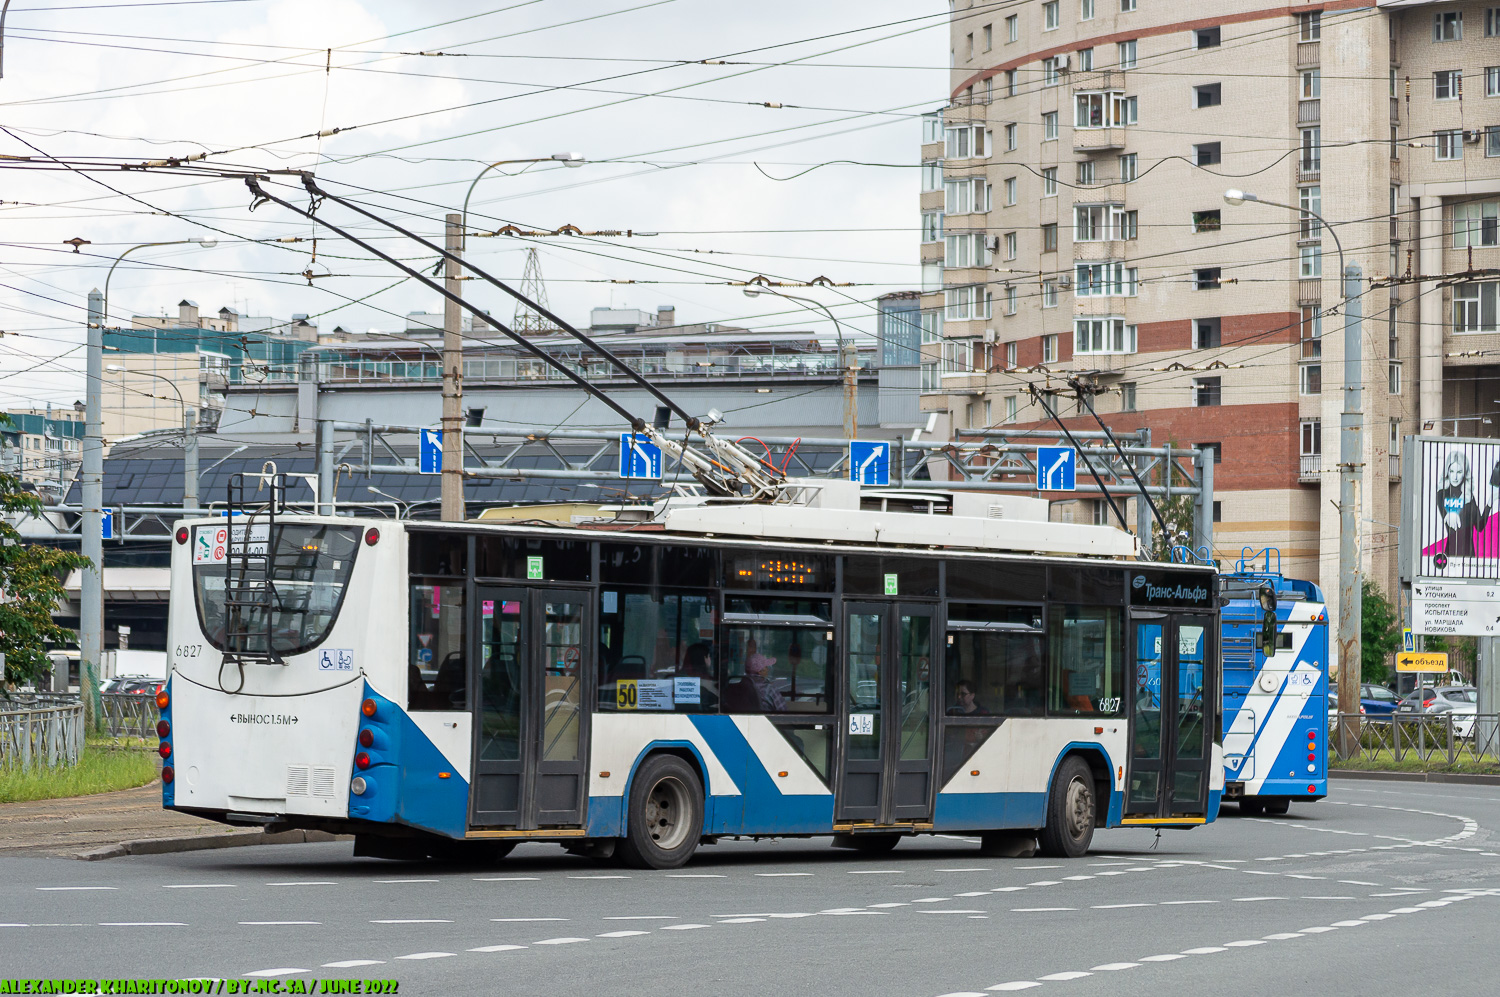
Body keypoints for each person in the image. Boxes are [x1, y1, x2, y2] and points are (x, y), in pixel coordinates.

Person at [1434, 450, 1495, 559]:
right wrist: (1453, 512)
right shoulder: (1442, 493)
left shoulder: (1469, 496)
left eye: (1459, 472)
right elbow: (1448, 516)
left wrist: (1491, 501)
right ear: (1447, 472)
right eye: (1452, 471)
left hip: (1469, 555)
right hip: (1451, 553)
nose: (1455, 477)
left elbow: (1480, 526)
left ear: (1465, 473)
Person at [743, 637, 787, 712]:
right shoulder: (769, 689)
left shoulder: (741, 687)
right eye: (766, 667)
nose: (768, 670)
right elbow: (783, 711)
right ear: (760, 671)